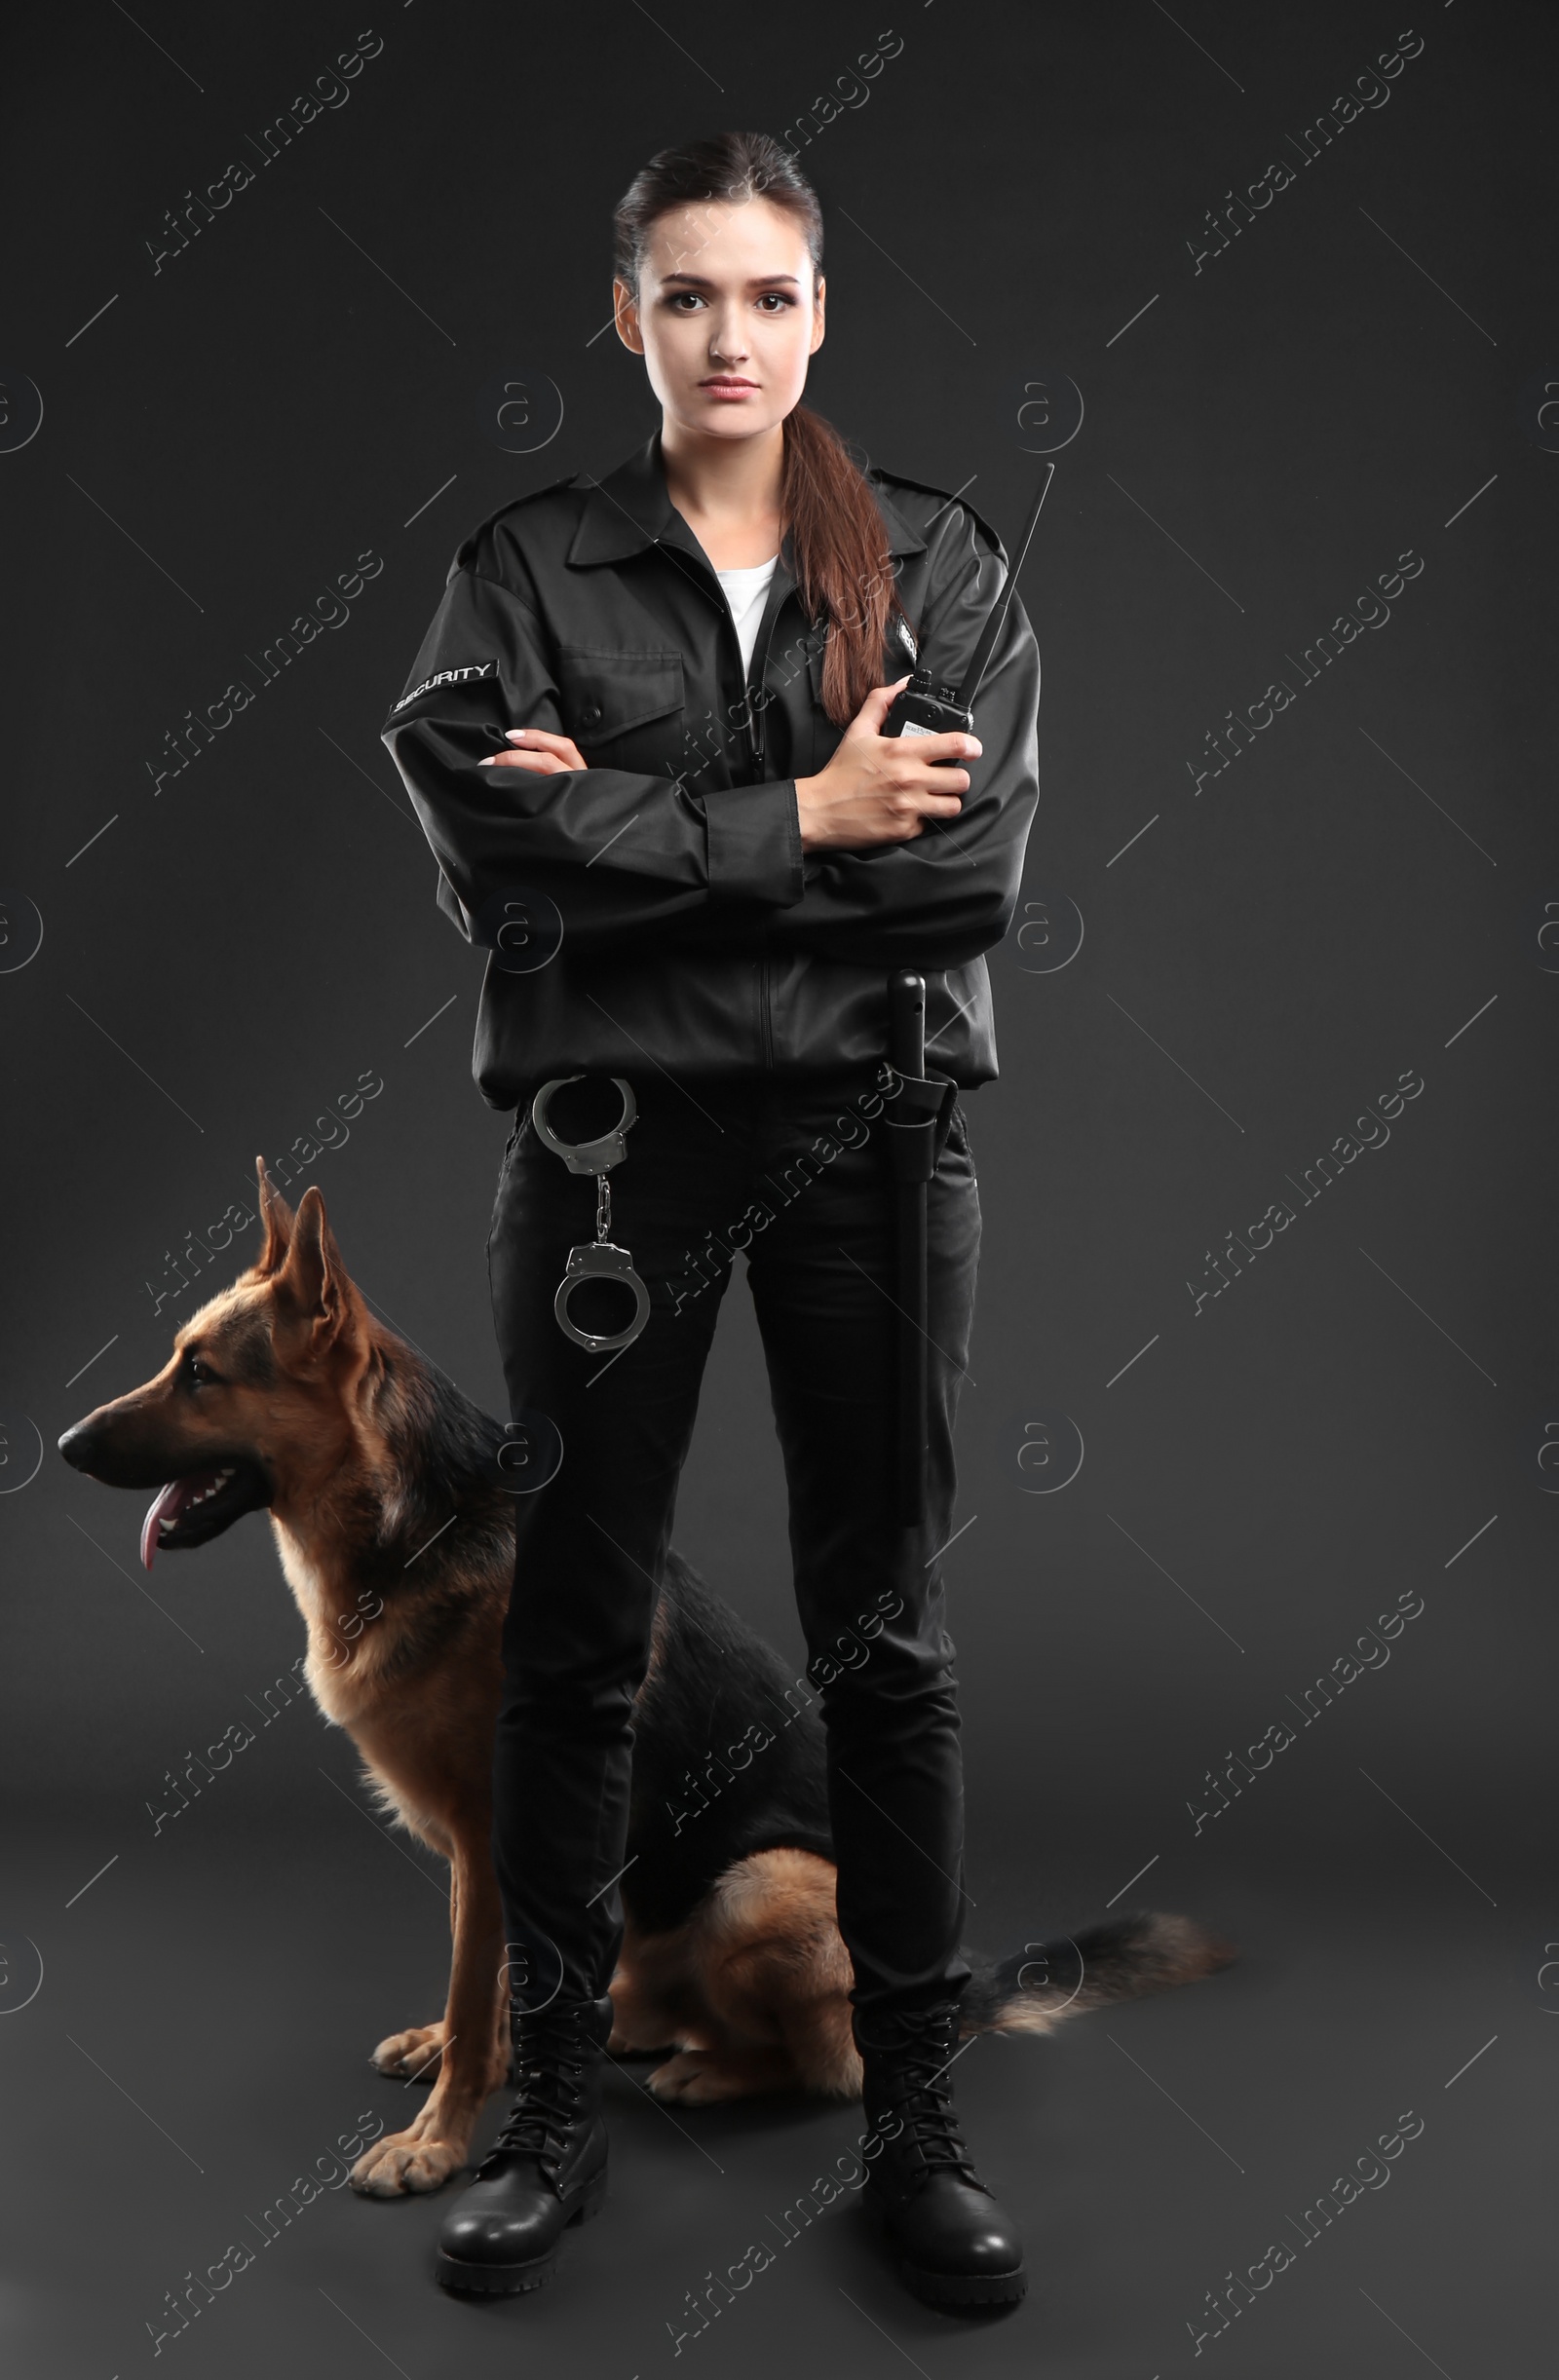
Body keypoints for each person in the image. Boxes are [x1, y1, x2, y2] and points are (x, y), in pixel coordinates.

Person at [381, 130, 1041, 2312]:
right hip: (603, 1159)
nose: (727, 335)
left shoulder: (936, 567)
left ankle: (913, 2119)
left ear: (818, 309)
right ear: (628, 318)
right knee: (574, 1631)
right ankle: (552, 2110)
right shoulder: (526, 574)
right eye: (686, 297)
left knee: (886, 1634)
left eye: (765, 295)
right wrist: (804, 818)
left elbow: (955, 886)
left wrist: (641, 845)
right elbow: (503, 872)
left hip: (872, 1136)